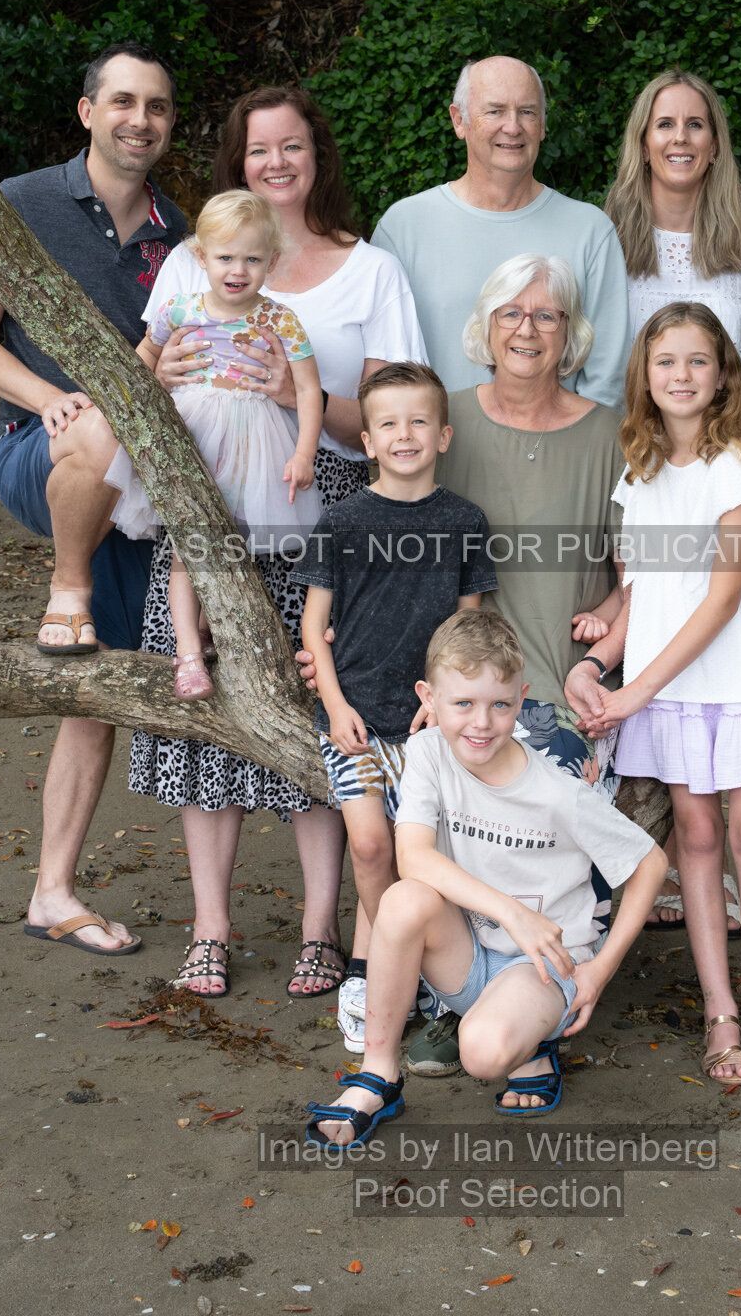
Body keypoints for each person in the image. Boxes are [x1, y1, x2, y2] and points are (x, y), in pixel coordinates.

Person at [295, 252, 630, 1075]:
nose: (528, 328)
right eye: (511, 312)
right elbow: (334, 606)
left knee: (491, 824)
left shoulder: (591, 445)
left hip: (509, 697)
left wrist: (598, 653)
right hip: (408, 701)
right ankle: (411, 979)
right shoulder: (395, 472)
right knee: (401, 833)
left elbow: (626, 585)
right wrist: (334, 683)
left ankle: (522, 985)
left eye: (546, 314)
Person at [130, 86, 427, 998]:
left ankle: (319, 927)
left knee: (315, 709)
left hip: (315, 499)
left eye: (292, 146)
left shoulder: (370, 271)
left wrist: (290, 397)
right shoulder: (191, 263)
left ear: (317, 154)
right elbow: (146, 371)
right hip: (208, 490)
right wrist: (168, 373)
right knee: (208, 709)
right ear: (238, 162)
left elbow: (384, 417)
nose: (276, 163)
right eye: (259, 149)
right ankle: (210, 927)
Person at [0, 40, 184, 956]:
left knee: (94, 685)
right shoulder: (21, 203)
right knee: (91, 429)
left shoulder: (177, 234)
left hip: (134, 480)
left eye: (156, 106)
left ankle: (52, 890)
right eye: (122, 101)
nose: (139, 119)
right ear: (87, 112)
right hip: (36, 450)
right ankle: (67, 584)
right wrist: (51, 401)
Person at [574, 303, 741, 1100]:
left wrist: (633, 694)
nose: (680, 375)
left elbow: (722, 598)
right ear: (644, 376)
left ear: (723, 376)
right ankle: (721, 1013)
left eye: (696, 361)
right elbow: (644, 592)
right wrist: (598, 662)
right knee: (698, 835)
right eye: (665, 361)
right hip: (675, 680)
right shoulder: (641, 468)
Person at [301, 609, 666, 1148]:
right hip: (469, 953)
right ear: (428, 698)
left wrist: (601, 970)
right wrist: (513, 913)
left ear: (521, 699)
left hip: (543, 965)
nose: (481, 723)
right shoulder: (428, 752)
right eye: (463, 704)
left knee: (481, 1054)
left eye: (499, 705)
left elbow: (649, 863)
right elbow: (414, 858)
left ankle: (534, 1044)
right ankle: (378, 1074)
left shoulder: (556, 791)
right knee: (403, 899)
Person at [295, 362, 497, 1051]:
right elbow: (312, 626)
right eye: (388, 424)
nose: (404, 434)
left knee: (426, 851)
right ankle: (374, 970)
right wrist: (334, 704)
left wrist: (446, 705)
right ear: (368, 441)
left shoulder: (464, 520)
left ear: (443, 435)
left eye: (418, 421)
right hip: (353, 715)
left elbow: (467, 629)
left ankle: (410, 969)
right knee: (371, 844)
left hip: (426, 725)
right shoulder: (342, 521)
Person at [106, 191, 324, 698]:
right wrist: (144, 402)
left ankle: (211, 633)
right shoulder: (180, 309)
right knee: (188, 547)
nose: (238, 270)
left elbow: (309, 389)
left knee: (233, 549)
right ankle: (187, 655)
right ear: (201, 257)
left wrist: (304, 453)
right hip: (194, 438)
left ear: (272, 261)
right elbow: (144, 356)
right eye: (225, 257)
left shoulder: (280, 319)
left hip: (255, 445)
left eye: (252, 259)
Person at [371, 56, 630, 405]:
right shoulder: (403, 228)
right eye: (495, 111)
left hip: (556, 440)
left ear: (542, 125)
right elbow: (383, 371)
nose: (513, 126)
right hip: (434, 439)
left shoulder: (590, 231)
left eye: (527, 112)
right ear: (459, 120)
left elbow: (607, 381)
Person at [603, 69, 741, 420]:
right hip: (631, 441)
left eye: (695, 124)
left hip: (728, 441)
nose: (680, 137)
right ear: (643, 146)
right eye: (665, 124)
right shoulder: (607, 240)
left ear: (714, 147)